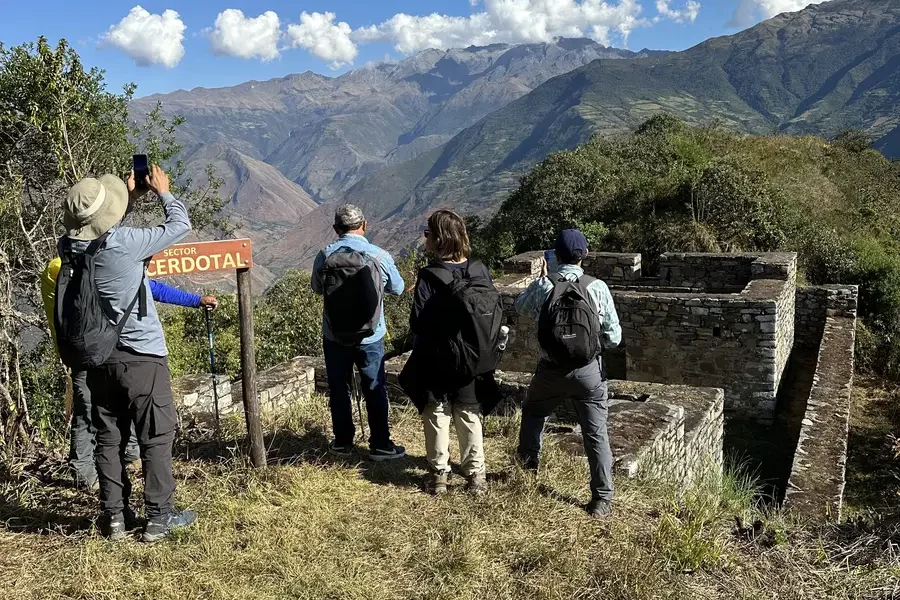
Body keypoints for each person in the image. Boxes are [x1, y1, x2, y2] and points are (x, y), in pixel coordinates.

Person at [58, 165, 196, 542]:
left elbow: (99, 232)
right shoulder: (126, 243)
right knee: (155, 436)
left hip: (98, 358)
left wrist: (129, 201)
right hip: (142, 357)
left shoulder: (69, 249)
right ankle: (159, 518)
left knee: (109, 439)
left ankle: (115, 518)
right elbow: (179, 225)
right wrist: (164, 191)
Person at [40, 258, 217, 491]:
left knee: (124, 399)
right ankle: (84, 473)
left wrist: (195, 300)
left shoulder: (80, 265)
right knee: (88, 411)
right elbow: (144, 286)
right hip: (88, 353)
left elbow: (145, 286)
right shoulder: (64, 268)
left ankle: (128, 457)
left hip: (101, 351)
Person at [514, 229, 622, 518]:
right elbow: (614, 338)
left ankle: (527, 470)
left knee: (534, 413)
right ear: (583, 256)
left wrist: (542, 283)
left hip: (550, 370)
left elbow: (520, 307)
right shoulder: (597, 288)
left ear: (555, 255)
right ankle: (601, 500)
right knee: (596, 434)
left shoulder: (544, 284)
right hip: (588, 373)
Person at [403, 210, 499, 495]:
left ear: (439, 239)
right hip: (471, 358)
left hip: (436, 358)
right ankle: (476, 477)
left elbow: (418, 322)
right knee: (469, 413)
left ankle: (439, 477)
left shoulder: (430, 276)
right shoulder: (480, 271)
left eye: (428, 233)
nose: (425, 238)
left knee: (437, 414)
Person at [311, 205, 406, 461]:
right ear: (364, 225)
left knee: (338, 389)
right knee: (374, 387)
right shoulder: (379, 255)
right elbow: (398, 288)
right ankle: (381, 445)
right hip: (371, 336)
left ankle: (342, 443)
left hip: (334, 335)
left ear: (336, 228)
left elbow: (317, 288)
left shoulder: (324, 255)